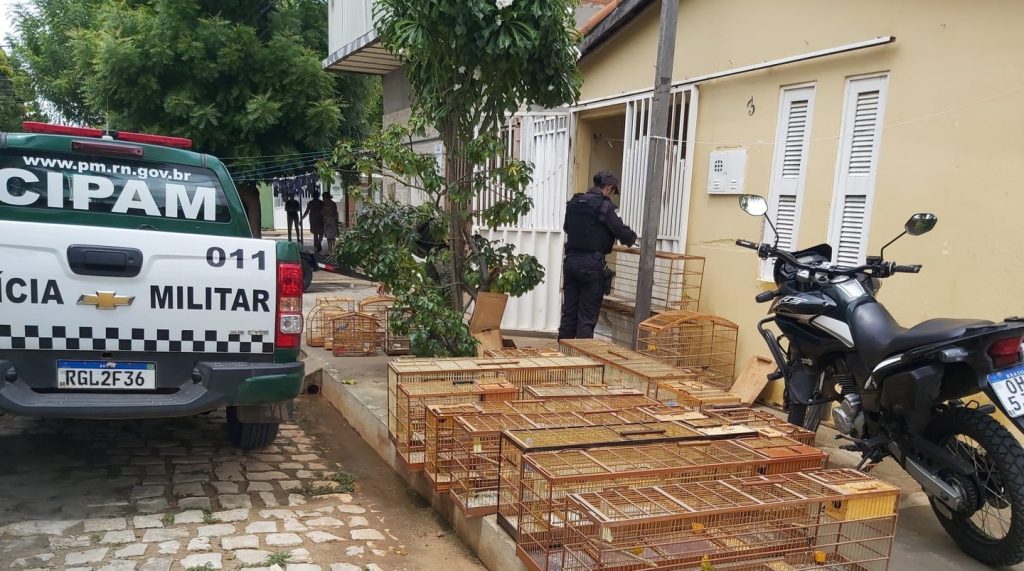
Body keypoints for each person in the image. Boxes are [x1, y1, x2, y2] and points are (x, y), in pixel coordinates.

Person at [558, 170, 637, 340]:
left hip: (571, 262)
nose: (612, 195)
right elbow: (621, 232)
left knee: (569, 313)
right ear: (609, 188)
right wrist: (633, 239)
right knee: (587, 316)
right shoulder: (604, 206)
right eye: (613, 192)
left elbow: (566, 227)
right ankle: (582, 361)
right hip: (591, 265)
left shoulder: (575, 202)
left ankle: (564, 356)